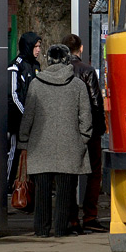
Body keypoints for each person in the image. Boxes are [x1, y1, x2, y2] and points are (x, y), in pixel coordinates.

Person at [18, 44, 92, 238]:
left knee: (42, 190)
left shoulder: (36, 83)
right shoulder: (78, 85)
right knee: (66, 191)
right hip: (70, 144)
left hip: (40, 145)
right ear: (67, 60)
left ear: (48, 60)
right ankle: (61, 229)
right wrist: (83, 138)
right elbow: (85, 117)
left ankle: (41, 230)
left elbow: (29, 115)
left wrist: (24, 139)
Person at [62, 34, 107, 232]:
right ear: (80, 49)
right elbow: (96, 103)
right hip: (89, 129)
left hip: (67, 129)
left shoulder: (60, 71)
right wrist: (99, 128)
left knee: (70, 173)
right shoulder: (87, 70)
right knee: (94, 171)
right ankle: (90, 216)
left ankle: (71, 218)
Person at [7, 32, 41, 191]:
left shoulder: (36, 66)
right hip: (17, 119)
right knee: (14, 152)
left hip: (33, 119)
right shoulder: (16, 66)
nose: (38, 50)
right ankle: (8, 184)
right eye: (35, 46)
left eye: (39, 46)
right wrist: (26, 113)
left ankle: (29, 185)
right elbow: (14, 94)